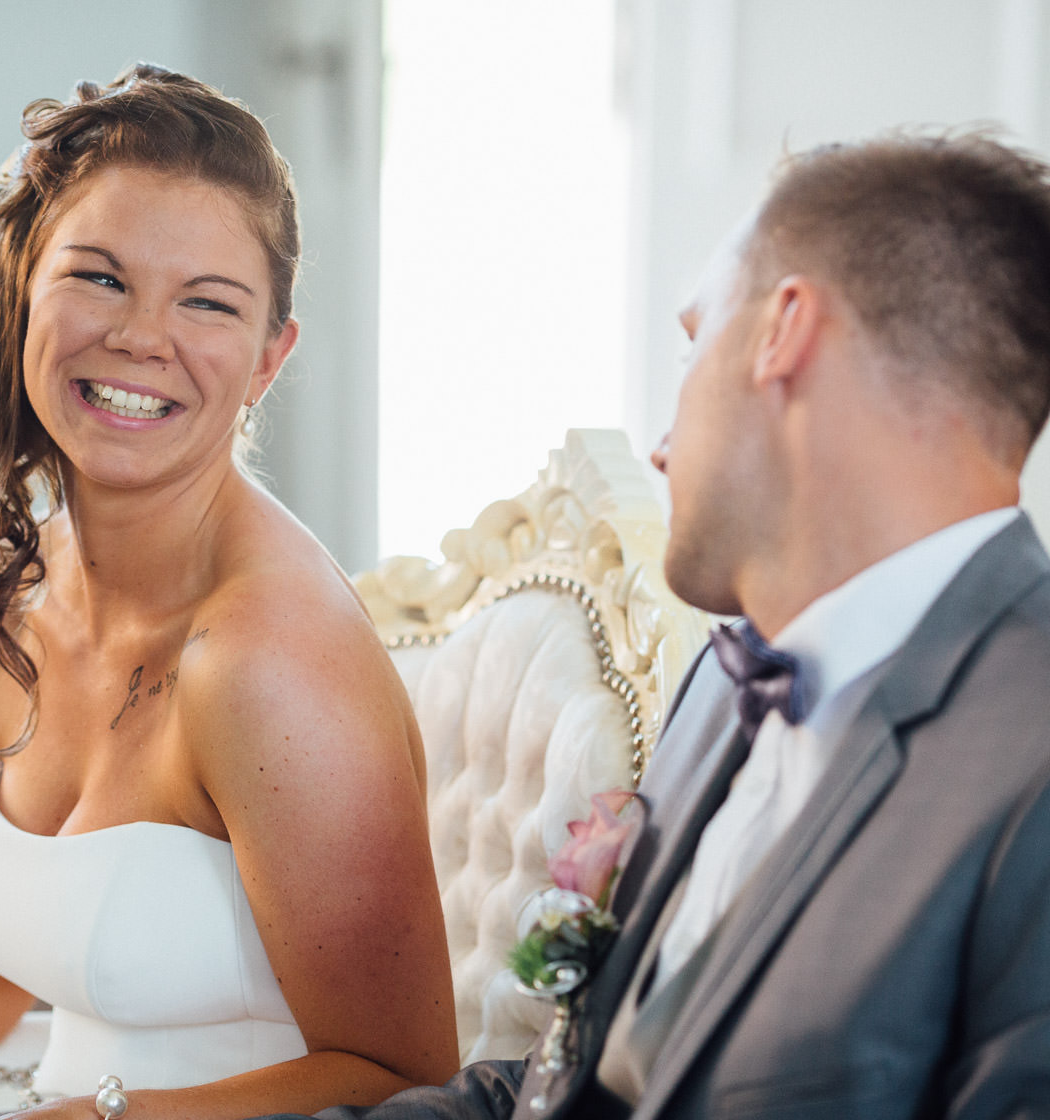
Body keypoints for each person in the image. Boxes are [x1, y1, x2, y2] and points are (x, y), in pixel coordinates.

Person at [253, 128, 1050, 1120]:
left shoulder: (1029, 759)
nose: (661, 445)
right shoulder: (726, 687)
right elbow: (578, 1089)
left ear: (782, 331)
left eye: (691, 340)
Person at [0, 64, 458, 1120]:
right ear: (23, 293)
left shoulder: (267, 667)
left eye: (207, 302)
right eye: (101, 278)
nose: (142, 336)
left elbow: (404, 1077)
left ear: (266, 360)